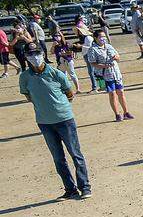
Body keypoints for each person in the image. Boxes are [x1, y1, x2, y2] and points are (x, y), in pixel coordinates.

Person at [20, 43, 90, 199]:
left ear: (43, 54)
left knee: (75, 154)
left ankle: (85, 187)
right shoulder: (24, 77)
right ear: (26, 56)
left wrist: (59, 106)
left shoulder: (56, 73)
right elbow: (28, 96)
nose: (35, 57)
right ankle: (70, 189)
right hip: (45, 123)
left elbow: (69, 93)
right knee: (58, 158)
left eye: (37, 53)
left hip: (64, 119)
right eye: (30, 54)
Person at [85, 29, 133, 121]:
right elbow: (93, 63)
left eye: (104, 36)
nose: (103, 38)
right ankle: (117, 114)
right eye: (101, 37)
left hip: (116, 73)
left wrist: (116, 57)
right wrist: (104, 66)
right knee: (112, 94)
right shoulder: (92, 49)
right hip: (105, 75)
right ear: (95, 38)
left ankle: (126, 112)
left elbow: (118, 57)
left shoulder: (109, 46)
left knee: (121, 92)